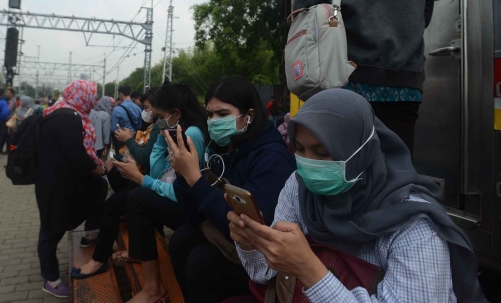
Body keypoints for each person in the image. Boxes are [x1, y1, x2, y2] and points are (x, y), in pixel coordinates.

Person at [228, 89, 486, 303]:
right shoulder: (299, 189)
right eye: (300, 149)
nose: (309, 164)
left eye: (323, 152)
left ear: (361, 151)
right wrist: (252, 245)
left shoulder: (413, 226)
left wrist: (310, 271)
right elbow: (263, 273)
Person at [165, 76, 296, 303]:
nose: (213, 121)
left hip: (262, 258)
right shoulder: (225, 148)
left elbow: (247, 231)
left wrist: (195, 179)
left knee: (202, 262)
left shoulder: (272, 159)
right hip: (231, 240)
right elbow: (195, 214)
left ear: (249, 116)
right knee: (182, 238)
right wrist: (182, 174)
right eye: (210, 114)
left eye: (223, 114)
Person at [74, 82, 207, 303]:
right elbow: (157, 169)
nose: (154, 118)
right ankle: (127, 263)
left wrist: (140, 177)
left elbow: (184, 191)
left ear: (176, 113)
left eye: (159, 114)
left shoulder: (190, 133)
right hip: (176, 195)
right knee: (128, 197)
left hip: (189, 205)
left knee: (136, 198)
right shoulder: (172, 129)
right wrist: (160, 137)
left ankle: (152, 288)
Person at [291, 0, 434, 155]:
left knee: (344, 166)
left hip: (345, 71)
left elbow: (304, 8)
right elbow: (425, 14)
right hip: (406, 76)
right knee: (398, 164)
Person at [36, 80, 111, 299]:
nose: (95, 101)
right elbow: (78, 157)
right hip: (56, 186)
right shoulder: (68, 118)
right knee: (51, 230)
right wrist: (103, 169)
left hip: (59, 181)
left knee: (98, 188)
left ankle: (90, 231)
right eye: (92, 96)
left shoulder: (63, 112)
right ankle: (50, 279)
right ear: (82, 96)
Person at [74, 86, 161, 266]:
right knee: (121, 200)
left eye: (145, 107)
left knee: (114, 204)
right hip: (146, 179)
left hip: (148, 181)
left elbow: (146, 157)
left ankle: (99, 259)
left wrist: (128, 140)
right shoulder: (157, 124)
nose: (143, 111)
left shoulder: (162, 127)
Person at [111, 84, 143, 155]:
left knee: (121, 160)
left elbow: (113, 128)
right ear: (130, 93)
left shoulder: (117, 109)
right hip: (134, 140)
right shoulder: (138, 108)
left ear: (121, 94)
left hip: (121, 142)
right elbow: (139, 126)